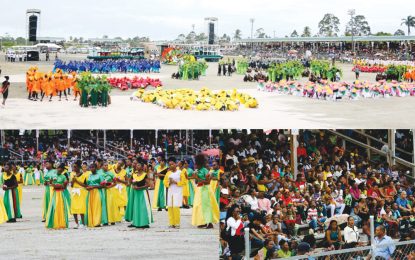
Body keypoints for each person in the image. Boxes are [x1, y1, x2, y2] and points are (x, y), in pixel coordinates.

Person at [192, 154, 219, 229]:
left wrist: (198, 178)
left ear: (198, 164)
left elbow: (208, 182)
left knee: (206, 206)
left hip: (205, 189)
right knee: (199, 206)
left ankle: (209, 223)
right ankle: (203, 222)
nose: (194, 165)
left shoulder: (205, 170)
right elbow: (197, 182)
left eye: (195, 164)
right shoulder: (197, 171)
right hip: (199, 189)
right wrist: (196, 178)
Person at [125, 160, 153, 228]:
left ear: (142, 167)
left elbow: (148, 185)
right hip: (135, 193)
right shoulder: (134, 174)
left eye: (138, 165)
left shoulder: (144, 174)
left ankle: (145, 223)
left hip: (142, 193)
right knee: (135, 207)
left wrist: (139, 187)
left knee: (143, 207)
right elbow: (129, 183)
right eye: (136, 165)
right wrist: (131, 181)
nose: (137, 166)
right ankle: (135, 222)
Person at [45, 163, 70, 229]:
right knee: (54, 207)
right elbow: (50, 183)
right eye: (58, 169)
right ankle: (53, 222)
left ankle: (61, 222)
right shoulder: (53, 175)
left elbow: (65, 186)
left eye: (61, 170)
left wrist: (61, 185)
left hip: (61, 193)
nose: (59, 170)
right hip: (55, 193)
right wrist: (53, 185)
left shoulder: (63, 176)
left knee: (61, 208)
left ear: (62, 170)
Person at [164, 157, 186, 228]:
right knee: (170, 206)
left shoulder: (180, 172)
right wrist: (169, 183)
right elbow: (165, 182)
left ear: (175, 164)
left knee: (176, 207)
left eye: (172, 164)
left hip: (177, 191)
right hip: (170, 191)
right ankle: (171, 223)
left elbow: (184, 182)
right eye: (169, 165)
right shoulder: (168, 173)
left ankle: (177, 223)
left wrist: (176, 182)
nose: (171, 166)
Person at [84, 163, 108, 227]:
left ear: (96, 168)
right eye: (90, 167)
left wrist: (94, 187)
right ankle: (91, 221)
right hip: (90, 193)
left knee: (97, 207)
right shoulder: (90, 176)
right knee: (91, 206)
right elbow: (87, 184)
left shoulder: (100, 175)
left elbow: (103, 186)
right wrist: (87, 187)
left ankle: (97, 222)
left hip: (97, 192)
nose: (91, 169)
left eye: (93, 167)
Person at [70, 161, 87, 229]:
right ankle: (76, 223)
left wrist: (77, 181)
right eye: (73, 166)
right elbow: (71, 185)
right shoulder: (72, 174)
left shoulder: (83, 175)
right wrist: (73, 181)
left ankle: (82, 223)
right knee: (74, 207)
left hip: (81, 191)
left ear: (79, 167)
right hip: (74, 191)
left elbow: (85, 185)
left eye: (75, 167)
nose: (74, 168)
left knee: (81, 207)